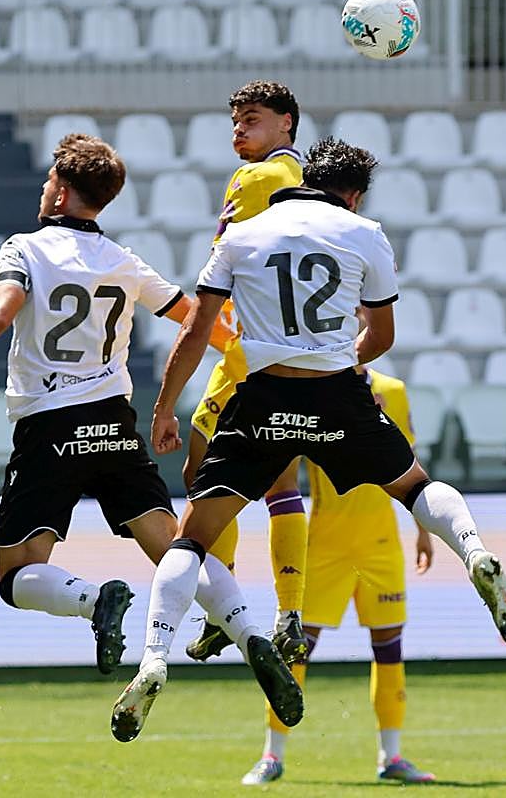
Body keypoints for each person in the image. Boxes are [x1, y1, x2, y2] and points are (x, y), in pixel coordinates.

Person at [112, 138, 506, 743]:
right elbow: (380, 335)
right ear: (353, 194)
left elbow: (197, 331)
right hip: (338, 394)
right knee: (417, 487)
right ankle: (475, 554)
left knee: (192, 538)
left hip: (262, 397)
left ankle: (153, 659)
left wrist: (163, 408)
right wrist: (339, 362)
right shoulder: (366, 233)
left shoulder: (241, 235)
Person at [0, 133, 295, 723]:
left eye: (49, 180)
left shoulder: (25, 249)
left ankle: (93, 599)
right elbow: (198, 321)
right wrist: (263, 363)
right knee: (178, 548)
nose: (43, 188)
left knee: (17, 574)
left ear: (60, 192)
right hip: (114, 424)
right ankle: (252, 633)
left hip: (49, 426)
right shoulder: (123, 261)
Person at [240, 365, 437, 786]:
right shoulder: (314, 388)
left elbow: (409, 462)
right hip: (324, 546)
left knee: (389, 649)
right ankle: (272, 755)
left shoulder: (393, 390)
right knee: (295, 649)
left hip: (380, 544)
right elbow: (285, 463)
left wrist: (423, 529)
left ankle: (391, 756)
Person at [184, 80, 309, 666]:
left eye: (252, 118)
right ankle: (289, 613)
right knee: (281, 480)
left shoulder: (257, 178)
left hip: (249, 348)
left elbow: (225, 266)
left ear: (287, 122)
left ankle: (223, 608)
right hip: (291, 347)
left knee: (202, 470)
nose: (239, 129)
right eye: (235, 121)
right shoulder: (303, 181)